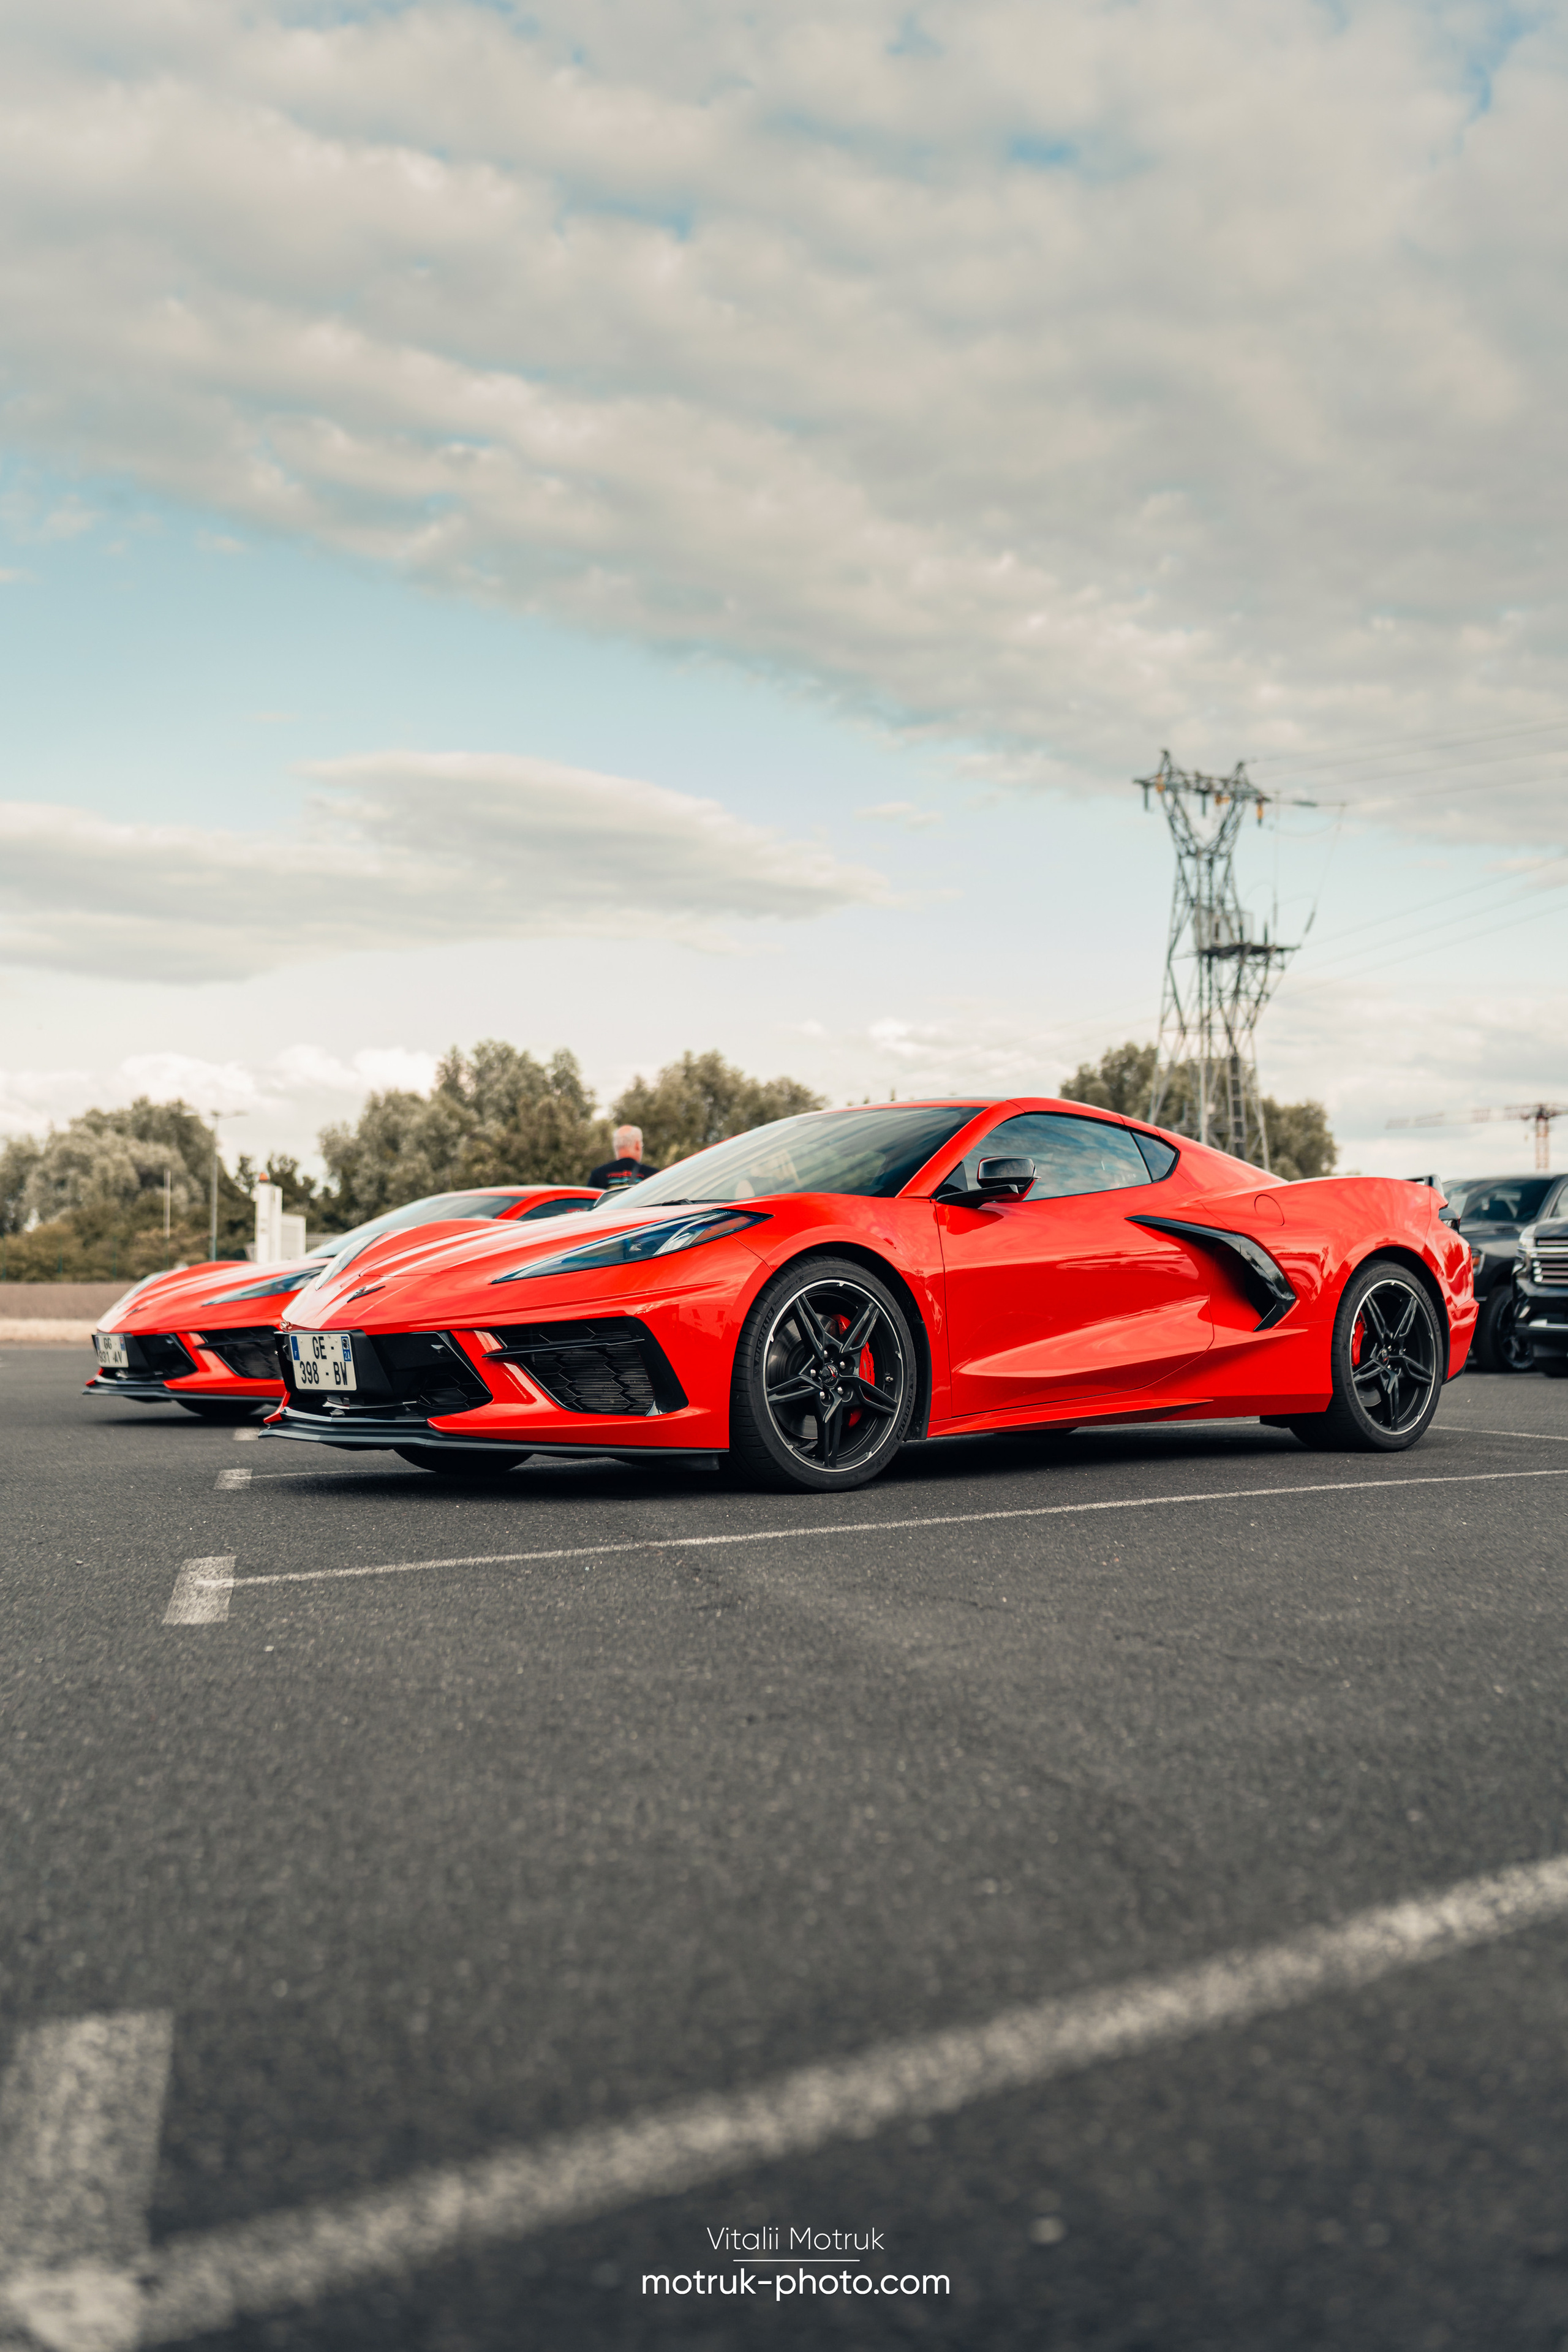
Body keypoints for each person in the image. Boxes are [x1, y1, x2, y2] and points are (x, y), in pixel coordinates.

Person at [587, 1124, 661, 1194]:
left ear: (615, 1147)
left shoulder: (598, 1174)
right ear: (637, 1145)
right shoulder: (654, 1175)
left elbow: (589, 1204)